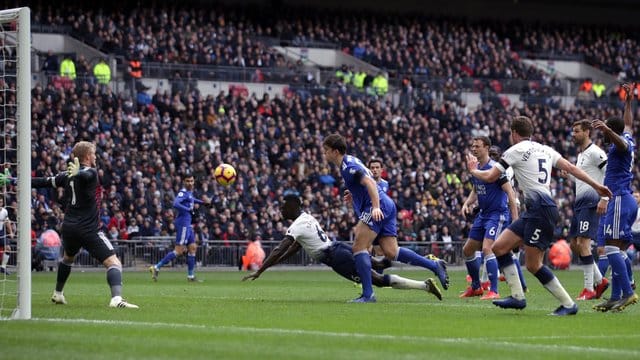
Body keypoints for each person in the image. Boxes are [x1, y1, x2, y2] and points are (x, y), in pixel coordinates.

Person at [465, 116, 611, 316]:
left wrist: (473, 171)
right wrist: (597, 186)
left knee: (533, 264)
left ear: (514, 133)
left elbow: (491, 176)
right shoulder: (545, 149)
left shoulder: (514, 151)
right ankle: (517, 297)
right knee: (498, 247)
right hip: (536, 211)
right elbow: (571, 168)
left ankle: (568, 304)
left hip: (540, 211)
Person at [242, 192, 443, 300]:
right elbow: (294, 248)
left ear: (293, 206)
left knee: (378, 280)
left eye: (284, 205)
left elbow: (280, 248)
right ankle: (428, 263)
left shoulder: (296, 225)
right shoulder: (306, 218)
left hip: (336, 258)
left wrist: (261, 270)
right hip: (338, 248)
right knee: (381, 265)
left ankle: (425, 284)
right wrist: (273, 264)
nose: (281, 209)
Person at [323, 133, 448, 303]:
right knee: (391, 251)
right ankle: (434, 265)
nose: (324, 154)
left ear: (335, 151)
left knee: (359, 247)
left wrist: (375, 207)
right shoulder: (349, 162)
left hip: (378, 206)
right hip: (387, 205)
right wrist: (353, 195)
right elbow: (364, 185)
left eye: (326, 150)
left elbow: (369, 182)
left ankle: (368, 295)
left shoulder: (348, 166)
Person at [31, 141, 138, 308]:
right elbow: (87, 174)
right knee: (114, 263)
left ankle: (58, 293)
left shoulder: (67, 174)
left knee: (67, 258)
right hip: (88, 229)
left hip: (69, 227)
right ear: (87, 156)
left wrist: (13, 180)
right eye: (94, 154)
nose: (95, 156)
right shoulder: (90, 172)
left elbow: (43, 181)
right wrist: (78, 174)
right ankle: (116, 299)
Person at [592, 83, 639, 312]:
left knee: (610, 248)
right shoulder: (629, 137)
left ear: (611, 131)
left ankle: (629, 293)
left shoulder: (621, 145)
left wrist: (608, 131)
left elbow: (619, 139)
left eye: (607, 130)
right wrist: (628, 101)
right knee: (617, 250)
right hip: (623, 199)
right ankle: (616, 297)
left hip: (620, 198)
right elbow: (628, 123)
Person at [460, 136, 519, 300]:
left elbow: (510, 192)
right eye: (472, 146)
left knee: (488, 248)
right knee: (467, 250)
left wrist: (515, 220)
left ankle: (494, 290)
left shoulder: (495, 168)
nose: (474, 149)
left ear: (487, 148)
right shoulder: (476, 167)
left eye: (477, 146)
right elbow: (476, 188)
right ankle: (476, 287)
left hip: (497, 214)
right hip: (483, 215)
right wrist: (467, 203)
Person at [564, 119, 609, 300]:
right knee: (575, 245)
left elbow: (609, 171)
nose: (573, 135)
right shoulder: (581, 155)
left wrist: (605, 198)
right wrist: (569, 178)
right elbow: (583, 180)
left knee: (583, 244)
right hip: (580, 203)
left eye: (576, 131)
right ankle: (601, 281)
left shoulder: (595, 152)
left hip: (591, 202)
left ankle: (589, 289)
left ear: (587, 132)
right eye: (573, 131)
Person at [150, 170, 211, 282]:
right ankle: (156, 267)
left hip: (187, 224)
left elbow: (191, 200)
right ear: (184, 182)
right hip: (183, 223)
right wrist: (188, 209)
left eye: (192, 181)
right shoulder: (183, 192)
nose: (190, 183)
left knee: (192, 248)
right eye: (188, 181)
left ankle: (191, 276)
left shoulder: (189, 192)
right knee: (178, 250)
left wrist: (203, 203)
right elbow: (176, 203)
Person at [0, 196, 13, 274]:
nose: (0, 203)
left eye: (1, 202)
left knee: (8, 248)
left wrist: (10, 232)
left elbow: (7, 222)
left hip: (1, 232)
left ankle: (3, 267)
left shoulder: (4, 211)